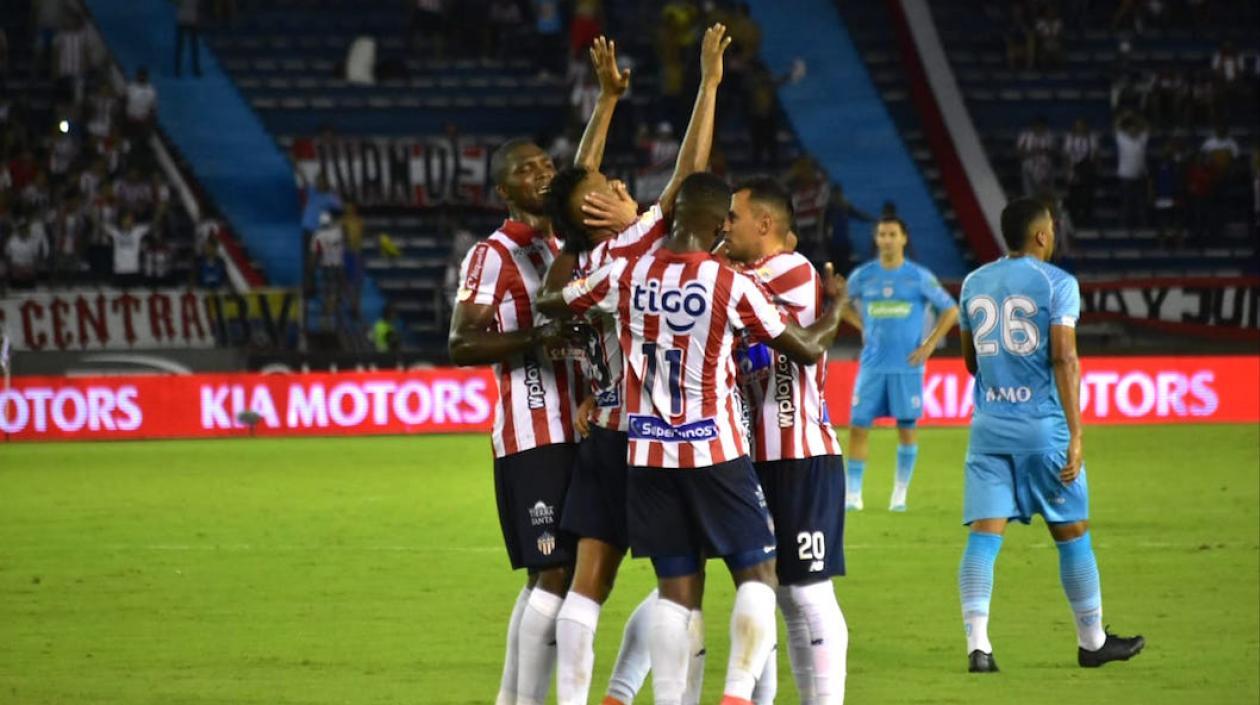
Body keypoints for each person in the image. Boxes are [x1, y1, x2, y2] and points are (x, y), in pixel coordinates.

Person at [549, 170, 847, 705]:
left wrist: (589, 343)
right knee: (759, 574)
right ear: (713, 224)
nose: (729, 226)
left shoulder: (625, 271)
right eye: (726, 218)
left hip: (647, 453)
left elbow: (557, 301)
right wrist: (840, 307)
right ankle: (736, 696)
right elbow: (803, 346)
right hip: (716, 449)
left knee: (676, 592)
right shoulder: (728, 283)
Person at [538, 29, 731, 705]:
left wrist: (607, 100)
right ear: (598, 212)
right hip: (653, 437)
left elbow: (574, 191)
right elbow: (688, 171)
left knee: (591, 583)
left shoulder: (587, 261)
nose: (624, 184)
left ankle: (598, 698)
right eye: (614, 184)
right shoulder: (638, 244)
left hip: (600, 433)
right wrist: (708, 84)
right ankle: (639, 691)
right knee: (681, 580)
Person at [956, 197, 1145, 673]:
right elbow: (1064, 357)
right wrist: (1077, 435)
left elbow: (970, 361)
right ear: (1041, 235)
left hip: (988, 428)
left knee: (984, 536)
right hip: (1042, 430)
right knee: (1072, 533)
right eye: (1052, 230)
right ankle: (1092, 641)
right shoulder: (1058, 284)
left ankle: (978, 647)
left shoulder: (973, 282)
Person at [447, 135, 583, 705]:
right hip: (532, 435)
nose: (543, 173)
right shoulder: (492, 254)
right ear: (506, 191)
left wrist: (604, 101)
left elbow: (586, 173)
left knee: (556, 575)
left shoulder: (558, 246)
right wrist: (536, 336)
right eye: (528, 170)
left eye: (547, 163)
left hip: (576, 430)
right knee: (552, 574)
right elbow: (460, 342)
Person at [722, 177, 850, 704]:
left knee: (809, 592)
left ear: (766, 224)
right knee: (778, 596)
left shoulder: (791, 271)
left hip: (802, 453)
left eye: (733, 217)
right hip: (756, 458)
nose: (724, 226)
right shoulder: (739, 275)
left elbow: (734, 292)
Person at [842, 216, 959, 512]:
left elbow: (950, 310)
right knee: (858, 426)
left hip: (907, 366)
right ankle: (853, 495)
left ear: (904, 238)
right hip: (872, 365)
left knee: (906, 428)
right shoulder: (863, 276)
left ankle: (900, 494)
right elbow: (840, 304)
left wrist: (930, 343)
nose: (887, 240)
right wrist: (861, 325)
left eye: (893, 234)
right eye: (882, 234)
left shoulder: (918, 277)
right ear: (876, 238)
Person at [309, 211, 345, 331]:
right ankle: (331, 317)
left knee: (329, 293)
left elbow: (314, 254)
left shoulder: (318, 235)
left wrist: (312, 270)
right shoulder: (338, 232)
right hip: (338, 265)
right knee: (335, 293)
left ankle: (328, 317)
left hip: (328, 266)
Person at [105, 211, 148, 288]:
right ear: (121, 221)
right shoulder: (116, 232)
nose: (128, 222)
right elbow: (100, 224)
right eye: (126, 220)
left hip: (133, 270)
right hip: (119, 271)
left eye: (130, 220)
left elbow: (154, 224)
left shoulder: (138, 231)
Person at [174, 0, 203, 78]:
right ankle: (180, 69)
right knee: (189, 46)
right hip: (187, 20)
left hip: (187, 20)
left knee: (187, 46)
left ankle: (179, 69)